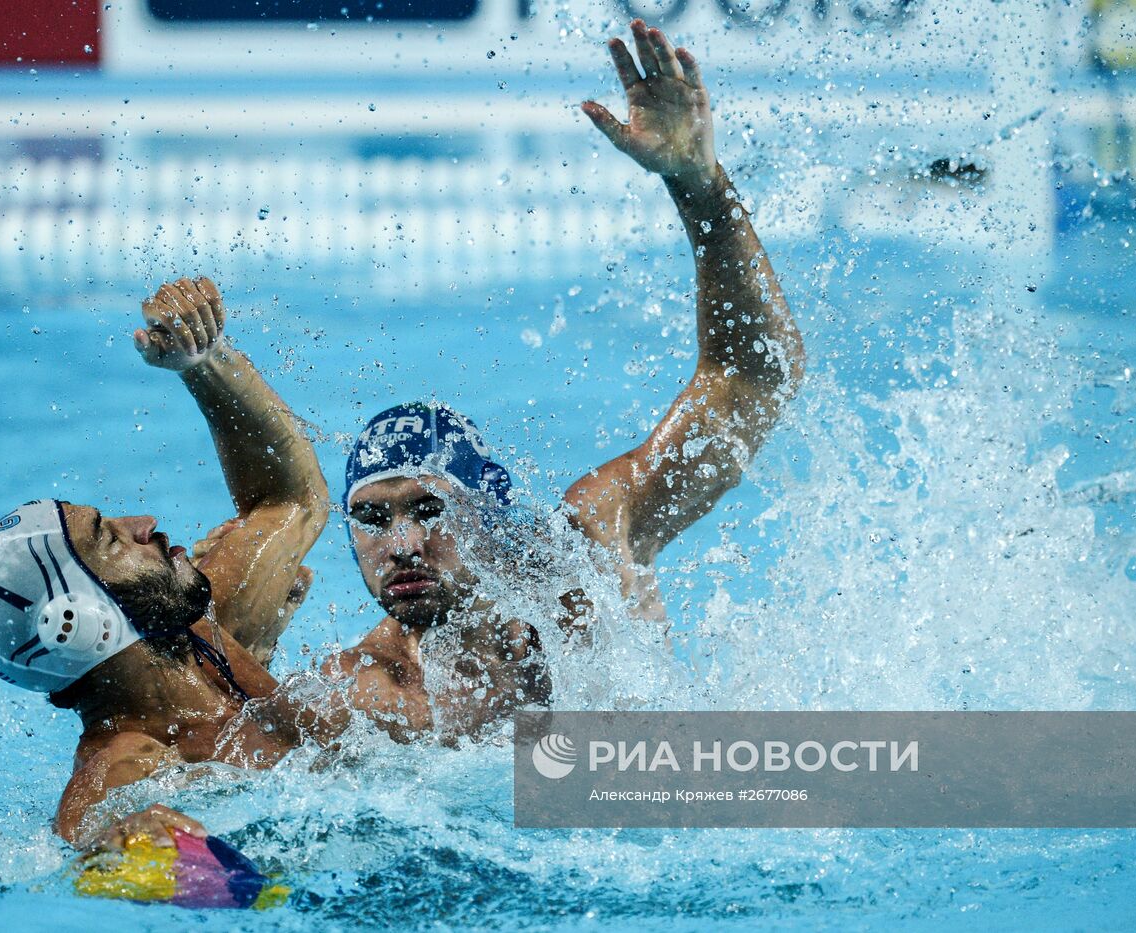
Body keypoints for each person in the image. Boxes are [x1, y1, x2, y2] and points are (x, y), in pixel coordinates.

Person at [316, 20, 804, 742]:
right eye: (373, 517)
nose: (404, 544)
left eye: (427, 507)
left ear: (488, 507)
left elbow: (754, 375)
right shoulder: (362, 694)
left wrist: (698, 185)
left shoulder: (591, 547)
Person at [0, 277, 330, 849]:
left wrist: (204, 362)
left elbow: (290, 503)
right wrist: (123, 847)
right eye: (111, 540)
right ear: (75, 621)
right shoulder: (125, 769)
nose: (145, 525)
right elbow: (88, 843)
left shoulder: (203, 632)